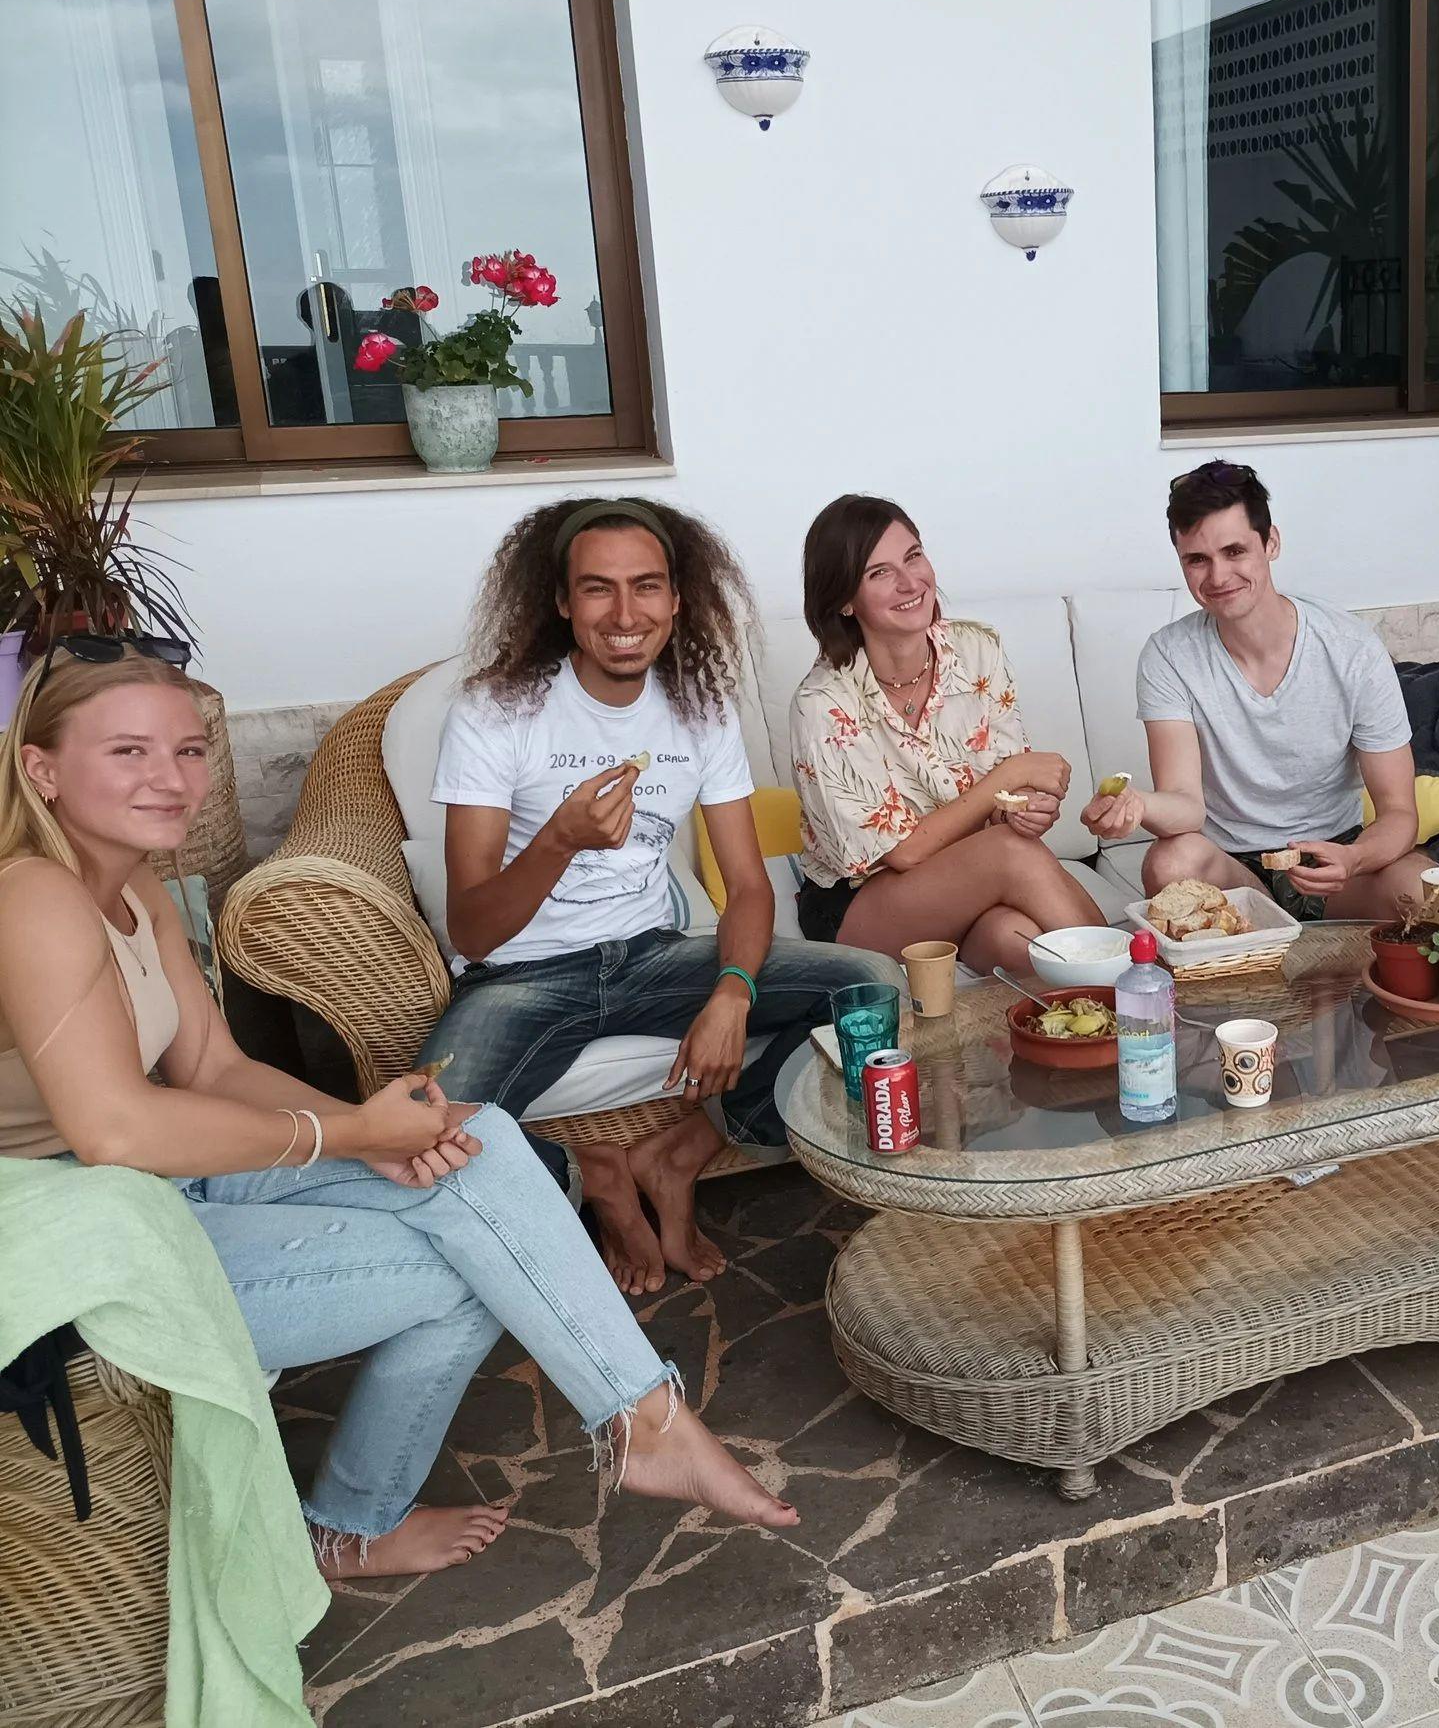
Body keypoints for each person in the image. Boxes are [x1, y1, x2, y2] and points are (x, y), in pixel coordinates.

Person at [0, 644, 797, 1577]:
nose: (171, 780)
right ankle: (363, 1519)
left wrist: (374, 1141)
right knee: (479, 1255)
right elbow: (113, 1129)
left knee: (476, 1144)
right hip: (67, 1243)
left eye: (187, 751)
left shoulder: (134, 885)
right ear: (41, 768)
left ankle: (642, 1422)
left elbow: (213, 1066)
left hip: (150, 1189)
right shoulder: (35, 897)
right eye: (128, 752)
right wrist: (348, 1132)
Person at [417, 498, 885, 1297]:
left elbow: (747, 887)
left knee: (871, 990)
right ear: (562, 602)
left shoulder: (698, 709)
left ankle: (685, 1148)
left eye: (646, 586)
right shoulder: (499, 711)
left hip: (653, 960)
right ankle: (591, 1174)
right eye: (597, 589)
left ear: (676, 599)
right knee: (426, 1131)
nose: (626, 614)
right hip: (520, 977)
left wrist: (732, 993)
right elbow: (472, 928)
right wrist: (558, 841)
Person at [1081, 460, 1430, 921]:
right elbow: (1185, 806)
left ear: (1271, 543)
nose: (1218, 577)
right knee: (1169, 863)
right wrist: (1137, 804)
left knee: (1426, 888)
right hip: (1232, 870)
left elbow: (1400, 813)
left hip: (1337, 859)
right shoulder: (1168, 655)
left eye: (1234, 551)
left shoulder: (1352, 649)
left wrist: (1354, 859)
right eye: (1197, 560)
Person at [788, 495, 1104, 967]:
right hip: (862, 904)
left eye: (913, 556)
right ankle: (1147, 987)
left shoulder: (977, 650)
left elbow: (1007, 799)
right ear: (845, 601)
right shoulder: (823, 704)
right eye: (879, 573)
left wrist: (1022, 811)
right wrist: (1010, 779)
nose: (910, 582)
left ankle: (1108, 1004)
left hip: (968, 880)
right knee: (1010, 854)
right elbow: (904, 852)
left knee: (1014, 940)